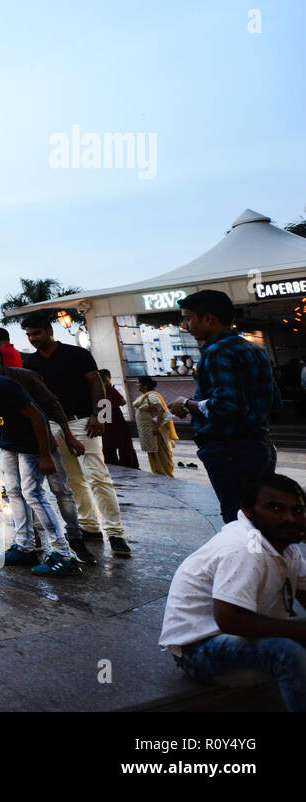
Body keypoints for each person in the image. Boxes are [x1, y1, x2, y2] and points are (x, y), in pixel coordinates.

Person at [159, 474, 306, 711]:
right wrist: (299, 631)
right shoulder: (245, 548)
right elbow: (230, 619)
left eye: (298, 510)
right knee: (287, 651)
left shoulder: (284, 545)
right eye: (275, 508)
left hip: (242, 639)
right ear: (248, 510)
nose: (289, 518)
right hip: (198, 650)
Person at [0, 343, 97, 565]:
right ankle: (25, 546)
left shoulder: (10, 383)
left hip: (34, 445)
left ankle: (66, 550)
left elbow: (40, 414)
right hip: (10, 446)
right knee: (15, 493)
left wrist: (49, 451)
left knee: (41, 493)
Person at [21, 313, 132, 558]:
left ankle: (116, 533)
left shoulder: (77, 354)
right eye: (28, 335)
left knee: (98, 476)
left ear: (49, 330)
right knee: (72, 480)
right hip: (52, 426)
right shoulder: (31, 364)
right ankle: (90, 525)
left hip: (84, 422)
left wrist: (100, 417)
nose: (33, 339)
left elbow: (97, 385)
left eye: (36, 333)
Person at [167, 289, 279, 524]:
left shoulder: (216, 352)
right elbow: (274, 401)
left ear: (209, 319)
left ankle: (247, 561)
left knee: (237, 519)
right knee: (258, 517)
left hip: (230, 452)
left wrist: (186, 403)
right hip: (259, 446)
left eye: (188, 318)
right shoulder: (254, 350)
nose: (185, 326)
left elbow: (226, 405)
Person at [133, 376, 175, 477]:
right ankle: (158, 474)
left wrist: (157, 427)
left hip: (154, 432)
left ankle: (165, 475)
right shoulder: (145, 396)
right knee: (153, 454)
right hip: (148, 432)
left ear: (145, 386)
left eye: (138, 383)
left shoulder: (151, 396)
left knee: (160, 455)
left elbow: (161, 410)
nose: (136, 385)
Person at [98, 369, 139, 469]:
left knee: (108, 446)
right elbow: (123, 402)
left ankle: (112, 465)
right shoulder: (110, 390)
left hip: (106, 421)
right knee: (123, 445)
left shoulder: (99, 391)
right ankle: (128, 465)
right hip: (115, 420)